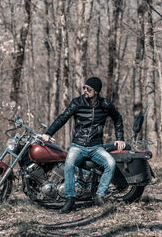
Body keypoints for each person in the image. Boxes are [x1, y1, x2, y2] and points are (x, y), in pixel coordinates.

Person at [42, 77, 126, 213]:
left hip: (96, 147)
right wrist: (49, 133)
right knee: (68, 164)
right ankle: (70, 200)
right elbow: (63, 118)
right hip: (78, 145)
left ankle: (100, 195)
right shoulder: (77, 102)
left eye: (89, 89)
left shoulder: (105, 104)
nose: (85, 91)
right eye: (84, 88)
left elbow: (118, 118)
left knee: (110, 163)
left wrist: (120, 138)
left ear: (96, 91)